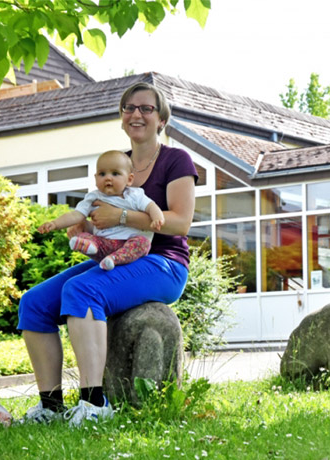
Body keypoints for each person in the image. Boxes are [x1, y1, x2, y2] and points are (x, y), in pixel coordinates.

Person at [17, 82, 197, 426]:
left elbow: (181, 222)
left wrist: (123, 216)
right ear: (121, 117)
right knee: (34, 304)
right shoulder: (116, 163)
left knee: (82, 290)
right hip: (112, 256)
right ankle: (51, 407)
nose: (136, 114)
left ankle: (94, 403)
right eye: (129, 108)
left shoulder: (176, 160)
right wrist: (83, 227)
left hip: (163, 264)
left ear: (161, 119)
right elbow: (95, 212)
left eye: (146, 108)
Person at [37, 150, 165, 271]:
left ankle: (114, 259)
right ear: (95, 178)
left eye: (115, 173)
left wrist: (157, 217)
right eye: (102, 174)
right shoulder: (93, 197)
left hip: (129, 242)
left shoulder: (134, 195)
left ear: (129, 179)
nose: (108, 178)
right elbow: (76, 215)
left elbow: (151, 206)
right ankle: (91, 247)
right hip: (103, 243)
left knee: (142, 243)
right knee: (85, 237)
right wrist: (55, 224)